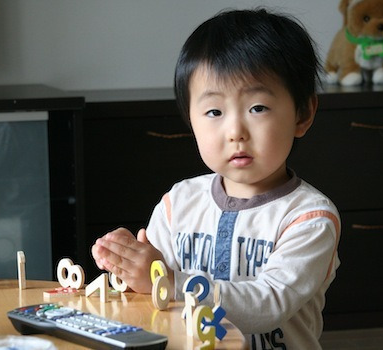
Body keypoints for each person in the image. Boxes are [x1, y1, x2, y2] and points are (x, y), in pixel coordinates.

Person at [91, 8, 340, 350]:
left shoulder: (310, 219)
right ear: (191, 120)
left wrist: (168, 280)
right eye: (214, 112)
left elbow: (268, 304)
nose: (235, 131)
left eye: (257, 108)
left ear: (303, 113)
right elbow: (151, 300)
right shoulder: (178, 204)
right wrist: (127, 264)